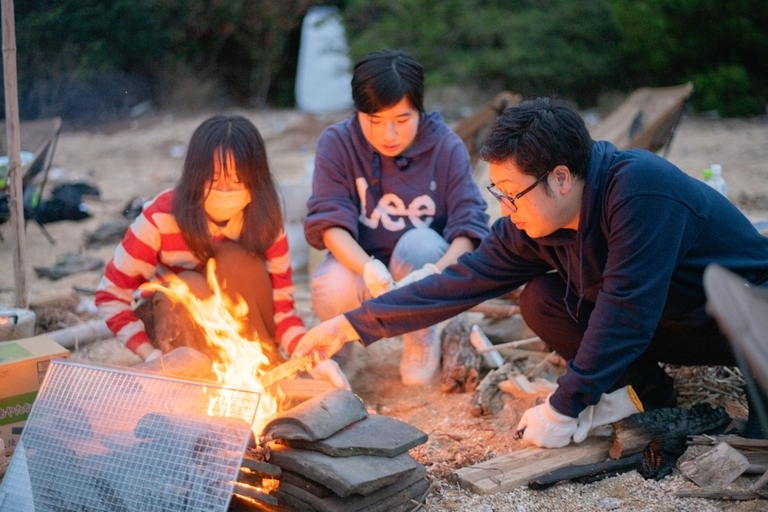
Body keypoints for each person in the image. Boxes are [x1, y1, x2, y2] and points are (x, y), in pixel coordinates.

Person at [293, 97, 768, 446]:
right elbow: (458, 282)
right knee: (540, 299)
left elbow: (626, 310)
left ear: (561, 178)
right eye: (497, 192)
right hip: (667, 323)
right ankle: (649, 393)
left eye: (509, 192)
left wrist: (564, 405)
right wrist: (351, 324)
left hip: (740, 324)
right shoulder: (531, 222)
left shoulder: (640, 190)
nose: (505, 207)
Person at [95, 114, 348, 388]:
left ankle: (259, 367)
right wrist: (150, 354)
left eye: (237, 181)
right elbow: (111, 295)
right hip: (179, 336)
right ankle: (198, 382)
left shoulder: (266, 224)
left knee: (236, 262)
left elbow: (283, 311)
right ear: (194, 177)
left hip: (246, 333)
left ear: (256, 182)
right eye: (214, 181)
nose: (225, 192)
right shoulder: (160, 218)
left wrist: (311, 357)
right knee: (189, 283)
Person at [303, 49, 490, 386]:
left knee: (421, 242)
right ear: (358, 112)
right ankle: (339, 353)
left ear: (419, 109)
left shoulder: (445, 146)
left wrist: (435, 274)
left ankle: (421, 339)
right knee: (331, 284)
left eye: (402, 120)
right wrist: (368, 267)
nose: (388, 134)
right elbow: (329, 222)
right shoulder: (338, 143)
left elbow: (470, 225)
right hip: (360, 263)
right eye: (374, 121)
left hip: (419, 267)